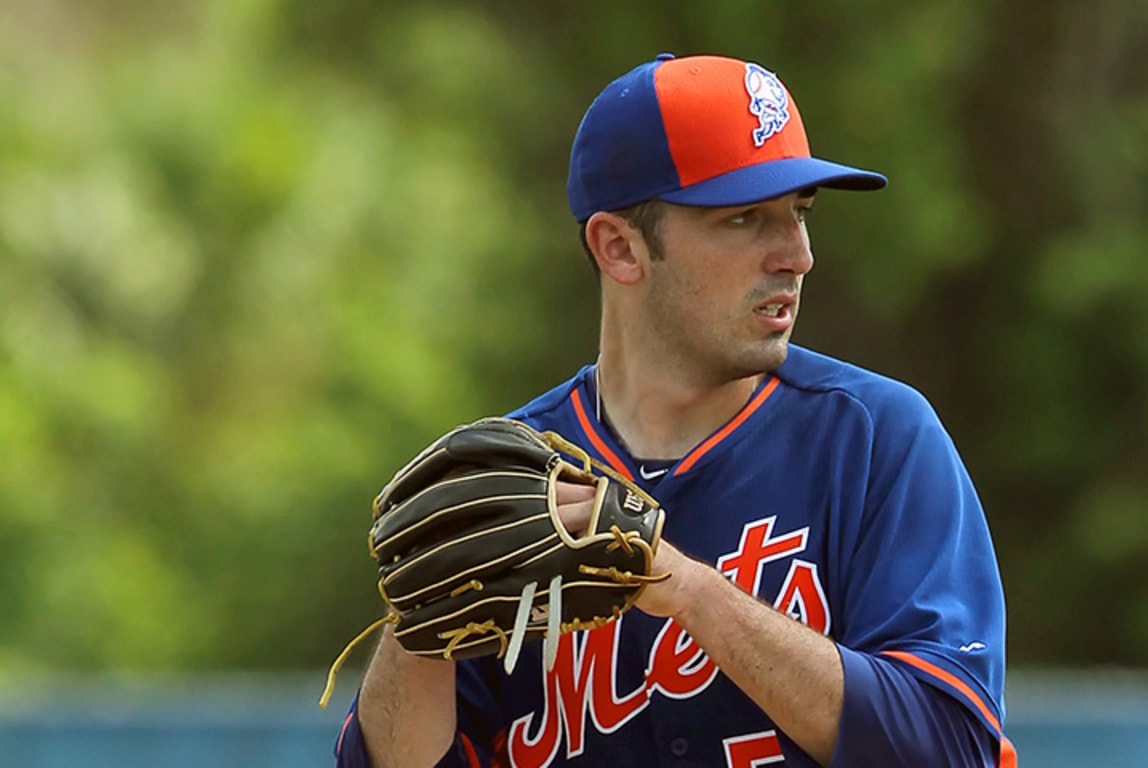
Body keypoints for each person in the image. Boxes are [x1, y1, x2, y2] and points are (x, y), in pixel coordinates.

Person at [333, 53, 1015, 768]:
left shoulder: (876, 440)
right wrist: (418, 629)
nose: (797, 254)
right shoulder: (515, 484)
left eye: (800, 213)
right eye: (746, 218)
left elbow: (951, 747)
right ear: (620, 248)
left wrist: (690, 591)